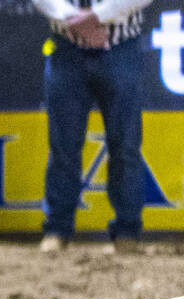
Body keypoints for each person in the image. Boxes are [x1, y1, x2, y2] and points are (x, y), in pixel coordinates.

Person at [30, 0, 153, 254]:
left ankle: (127, 233)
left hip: (121, 46)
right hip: (65, 46)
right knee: (63, 146)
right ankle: (57, 230)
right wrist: (72, 17)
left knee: (126, 145)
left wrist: (98, 15)